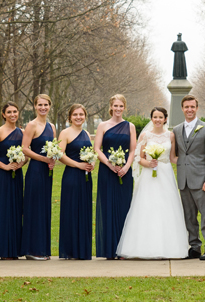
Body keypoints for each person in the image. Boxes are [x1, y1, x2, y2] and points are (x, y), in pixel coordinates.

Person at [116, 107, 188, 259]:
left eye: (160, 117)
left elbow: (173, 157)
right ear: (151, 118)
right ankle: (142, 247)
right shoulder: (145, 135)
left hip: (166, 174)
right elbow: (139, 157)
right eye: (155, 117)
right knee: (147, 207)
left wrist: (190, 161)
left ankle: (170, 248)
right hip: (149, 175)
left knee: (167, 208)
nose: (157, 120)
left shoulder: (171, 135)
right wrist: (147, 164)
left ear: (165, 119)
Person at [171, 95, 205, 260]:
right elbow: (177, 154)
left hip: (201, 180)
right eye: (186, 107)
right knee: (189, 216)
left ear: (196, 108)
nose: (189, 110)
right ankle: (195, 246)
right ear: (182, 109)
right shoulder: (177, 130)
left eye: (192, 107)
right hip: (184, 180)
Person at [94, 94, 136, 259]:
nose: (118, 109)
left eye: (121, 106)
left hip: (124, 172)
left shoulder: (130, 126)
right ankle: (109, 249)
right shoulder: (102, 126)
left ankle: (123, 249)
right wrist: (109, 164)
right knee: (108, 207)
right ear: (110, 107)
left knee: (123, 208)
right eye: (115, 106)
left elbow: (133, 150)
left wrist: (126, 167)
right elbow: (97, 149)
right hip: (107, 171)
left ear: (124, 107)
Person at [0, 102, 25, 259]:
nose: (12, 114)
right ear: (3, 114)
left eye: (15, 111)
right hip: (2, 174)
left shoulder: (22, 132)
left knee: (16, 209)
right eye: (9, 112)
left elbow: (27, 153)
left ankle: (15, 249)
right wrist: (5, 167)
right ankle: (1, 249)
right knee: (2, 209)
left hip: (17, 174)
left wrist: (20, 163)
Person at [21, 94, 56, 260]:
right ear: (35, 106)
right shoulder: (31, 125)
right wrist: (44, 159)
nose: (43, 107)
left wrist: (53, 159)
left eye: (46, 105)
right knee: (34, 208)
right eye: (40, 105)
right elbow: (25, 149)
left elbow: (54, 147)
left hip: (47, 172)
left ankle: (42, 249)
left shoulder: (52, 126)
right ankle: (32, 249)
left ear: (50, 106)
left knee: (44, 208)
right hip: (35, 170)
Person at [57, 104, 95, 260]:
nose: (78, 117)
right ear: (70, 117)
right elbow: (59, 154)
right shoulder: (65, 133)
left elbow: (89, 152)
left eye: (81, 114)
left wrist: (91, 162)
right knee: (72, 210)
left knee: (83, 210)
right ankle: (71, 250)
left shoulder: (86, 133)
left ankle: (82, 249)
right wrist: (78, 164)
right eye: (75, 115)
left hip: (85, 177)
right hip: (72, 176)